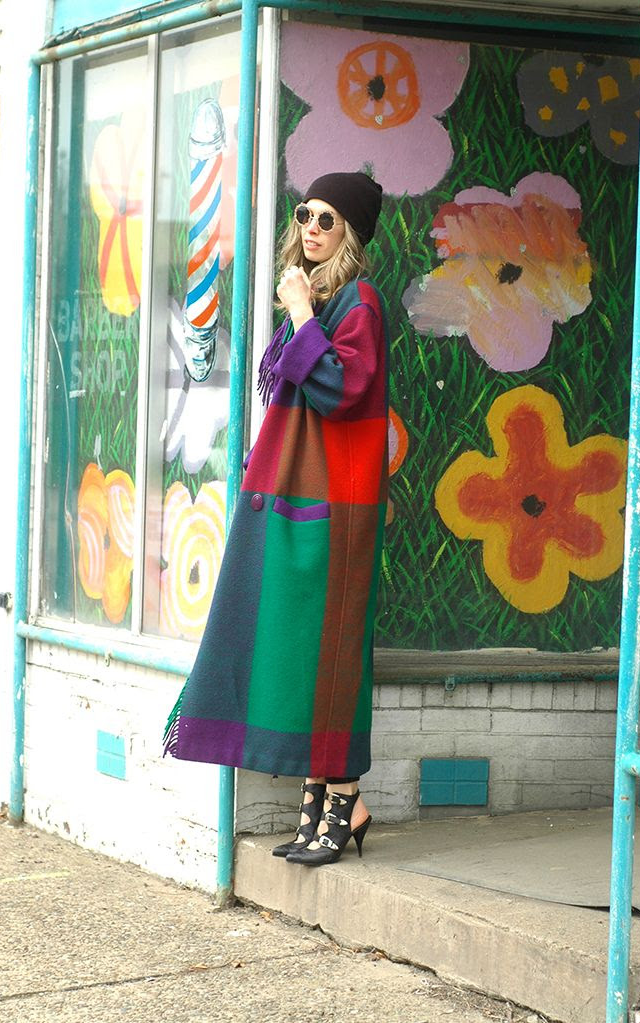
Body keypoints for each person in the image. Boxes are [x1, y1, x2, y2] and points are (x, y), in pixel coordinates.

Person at [164, 171, 389, 867]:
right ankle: (320, 796)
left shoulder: (360, 301)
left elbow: (341, 390)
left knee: (333, 647)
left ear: (350, 233)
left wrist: (298, 312)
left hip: (340, 504)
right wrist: (302, 307)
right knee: (302, 648)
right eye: (305, 214)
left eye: (328, 219)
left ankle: (345, 796)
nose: (312, 228)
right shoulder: (321, 295)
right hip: (304, 495)